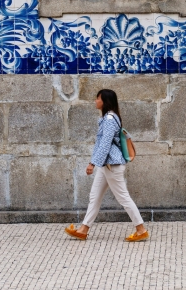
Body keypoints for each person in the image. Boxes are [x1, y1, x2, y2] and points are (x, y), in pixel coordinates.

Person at [64, 89, 149, 242]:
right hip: (107, 165)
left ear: (104, 101)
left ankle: (141, 229)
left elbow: (104, 144)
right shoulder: (108, 118)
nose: (95, 101)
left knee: (123, 197)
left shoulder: (109, 119)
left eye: (98, 98)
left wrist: (92, 163)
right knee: (94, 197)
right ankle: (83, 229)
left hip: (112, 165)